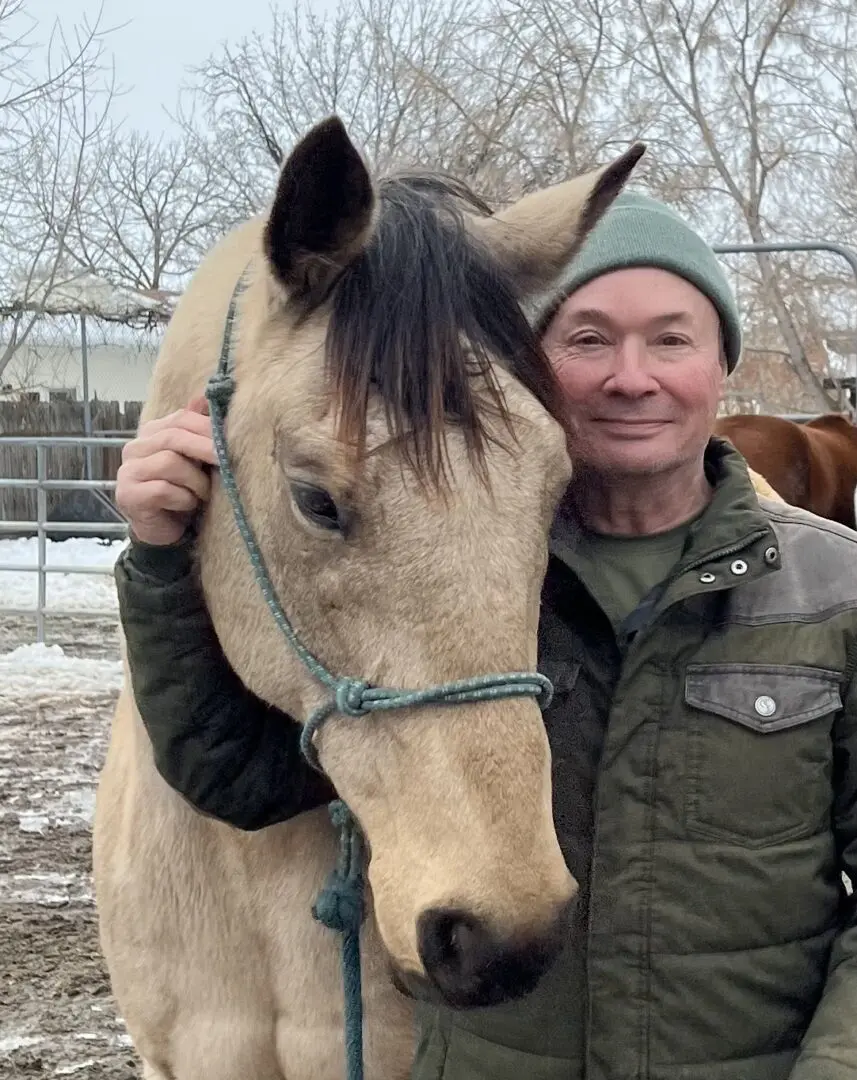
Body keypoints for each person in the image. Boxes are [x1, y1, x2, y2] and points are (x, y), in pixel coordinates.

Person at [113, 192, 857, 1080]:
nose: (631, 376)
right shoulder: (466, 579)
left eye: (672, 339)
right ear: (532, 365)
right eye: (585, 340)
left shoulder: (833, 589)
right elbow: (234, 772)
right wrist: (161, 561)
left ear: (721, 367)